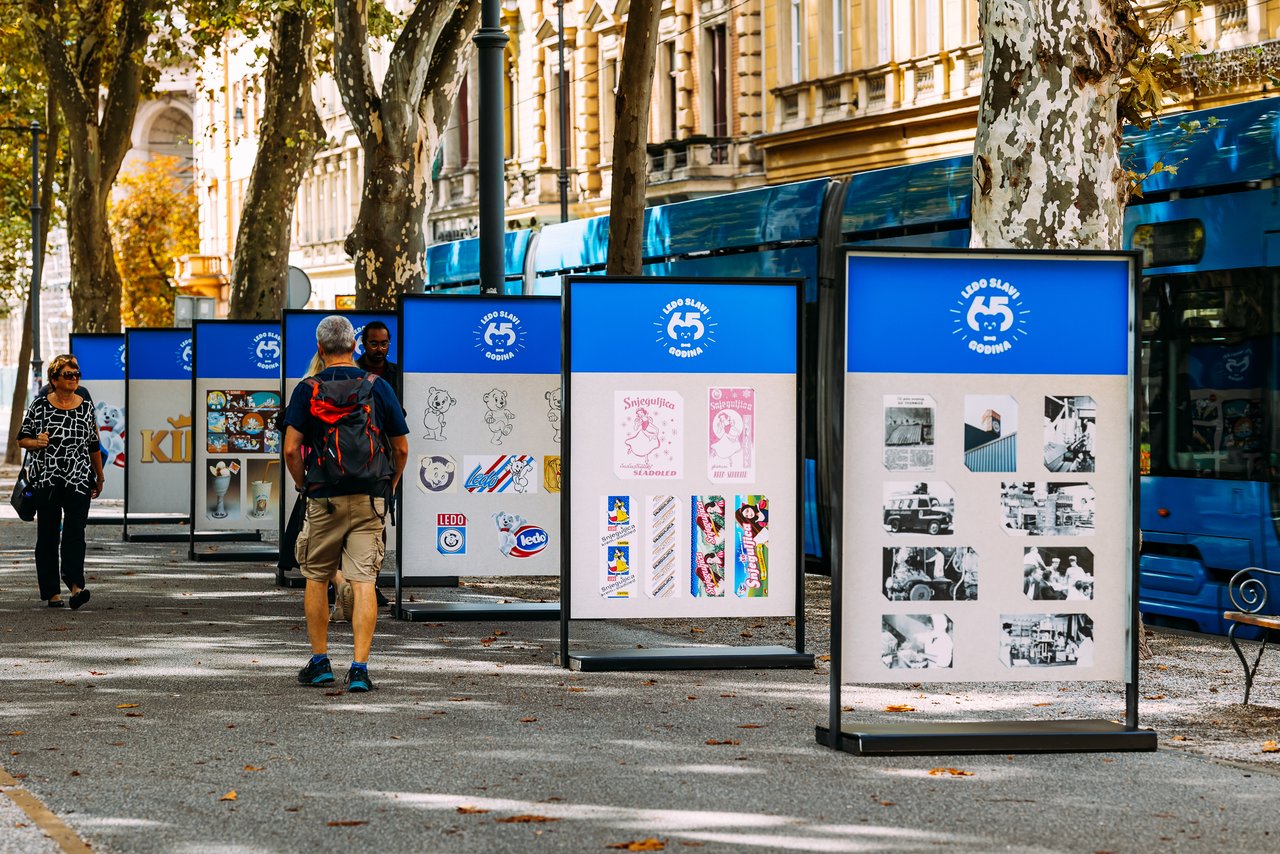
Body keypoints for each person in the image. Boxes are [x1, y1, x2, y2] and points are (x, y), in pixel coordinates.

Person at [284, 316, 409, 692]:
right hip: (371, 496)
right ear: (355, 347)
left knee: (317, 577)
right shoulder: (378, 386)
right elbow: (401, 447)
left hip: (324, 496)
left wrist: (303, 484)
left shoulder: (307, 389)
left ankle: (321, 662)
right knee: (365, 580)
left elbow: (291, 448)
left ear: (320, 350)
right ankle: (359, 668)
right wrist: (390, 484)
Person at [17, 355, 105, 608]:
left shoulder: (86, 407)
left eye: (76, 374)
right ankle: (51, 592)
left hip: (78, 479)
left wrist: (99, 476)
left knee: (76, 533)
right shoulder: (40, 406)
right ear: (54, 379)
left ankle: (76, 587)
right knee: (47, 536)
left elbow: (93, 445)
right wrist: (37, 442)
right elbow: (22, 439)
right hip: (47, 479)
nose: (74, 378)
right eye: (68, 375)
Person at [356, 321, 401, 402]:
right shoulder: (354, 371)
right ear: (363, 343)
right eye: (374, 344)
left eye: (384, 344)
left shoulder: (397, 373)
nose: (379, 349)